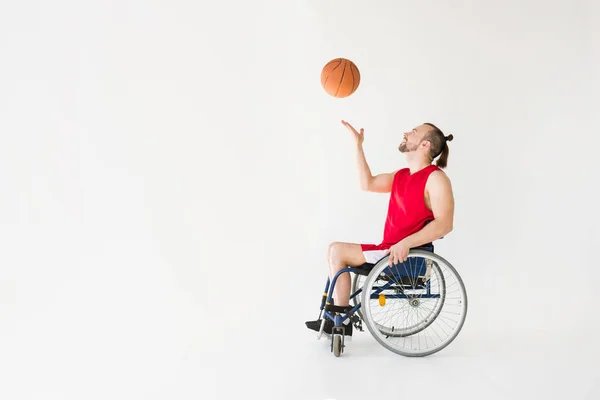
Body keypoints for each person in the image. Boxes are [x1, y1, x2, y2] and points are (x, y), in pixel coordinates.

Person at [305, 120, 455, 337]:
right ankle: (340, 315)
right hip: (388, 250)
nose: (406, 132)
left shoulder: (436, 179)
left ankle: (342, 318)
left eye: (413, 132)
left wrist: (406, 243)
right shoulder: (402, 175)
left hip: (408, 258)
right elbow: (367, 183)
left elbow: (444, 224)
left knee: (337, 251)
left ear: (425, 145)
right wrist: (358, 145)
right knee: (333, 251)